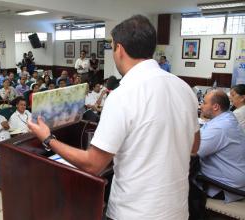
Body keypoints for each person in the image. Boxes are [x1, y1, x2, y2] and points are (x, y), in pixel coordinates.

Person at [28, 15, 200, 220]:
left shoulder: (123, 94)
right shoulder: (183, 88)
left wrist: (48, 138)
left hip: (134, 213)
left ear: (119, 48)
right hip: (176, 210)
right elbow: (194, 147)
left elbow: (93, 164)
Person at [191, 90, 245, 219]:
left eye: (204, 103)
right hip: (233, 179)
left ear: (215, 107)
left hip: (226, 187)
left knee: (180, 187)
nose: (201, 106)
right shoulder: (226, 118)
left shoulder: (220, 128)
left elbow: (193, 152)